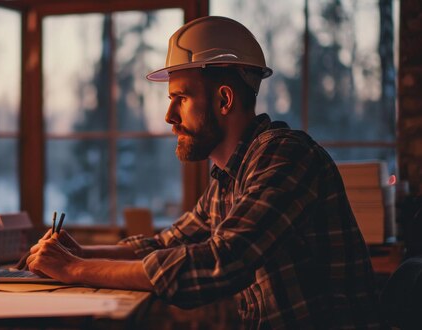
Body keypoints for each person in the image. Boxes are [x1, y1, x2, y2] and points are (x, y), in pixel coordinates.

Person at [25, 16, 384, 328]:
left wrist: (73, 269)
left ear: (224, 100)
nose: (169, 116)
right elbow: (163, 245)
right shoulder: (229, 178)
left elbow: (223, 261)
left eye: (180, 98)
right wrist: (81, 253)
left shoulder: (284, 155)